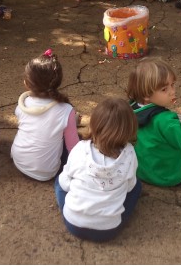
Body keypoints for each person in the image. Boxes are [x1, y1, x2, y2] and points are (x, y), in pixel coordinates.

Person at [55, 98, 141, 242]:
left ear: (94, 125)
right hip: (108, 231)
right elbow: (130, 187)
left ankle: (69, 209)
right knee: (137, 187)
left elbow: (65, 183)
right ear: (130, 129)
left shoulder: (80, 148)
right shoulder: (130, 153)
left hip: (73, 224)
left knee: (59, 181)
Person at [127, 59, 181, 186]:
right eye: (164, 89)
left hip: (143, 171)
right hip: (169, 174)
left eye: (172, 85)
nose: (172, 91)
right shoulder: (165, 119)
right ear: (146, 95)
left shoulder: (129, 110)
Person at [11, 50, 80, 181]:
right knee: (76, 141)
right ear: (58, 82)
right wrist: (72, 123)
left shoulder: (23, 103)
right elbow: (73, 148)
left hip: (19, 162)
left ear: (27, 83)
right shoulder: (66, 110)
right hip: (47, 172)